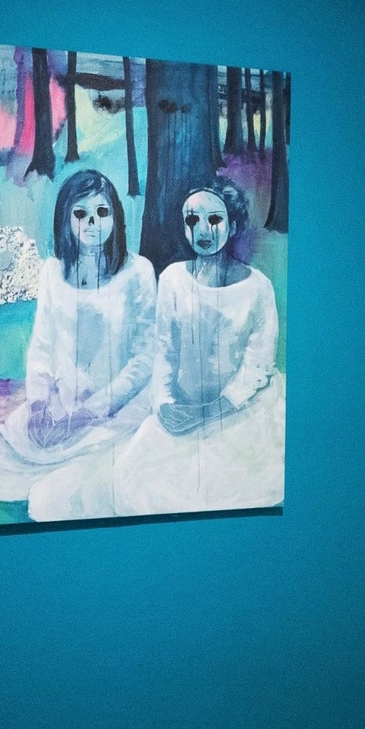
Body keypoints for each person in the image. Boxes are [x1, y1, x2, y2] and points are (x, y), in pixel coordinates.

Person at [0, 170, 158, 520]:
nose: (92, 223)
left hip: (121, 402)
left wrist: (93, 410)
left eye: (102, 212)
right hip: (66, 398)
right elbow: (42, 348)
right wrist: (40, 404)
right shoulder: (52, 272)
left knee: (85, 469)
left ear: (116, 216)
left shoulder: (138, 272)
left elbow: (144, 358)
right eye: (81, 214)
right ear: (65, 219)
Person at [111, 178, 285, 513]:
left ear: (233, 225)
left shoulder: (259, 288)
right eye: (193, 220)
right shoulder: (173, 279)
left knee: (230, 486)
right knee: (140, 479)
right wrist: (165, 404)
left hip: (239, 408)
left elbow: (258, 365)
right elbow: (165, 351)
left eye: (215, 219)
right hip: (184, 403)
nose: (203, 230)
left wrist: (209, 412)